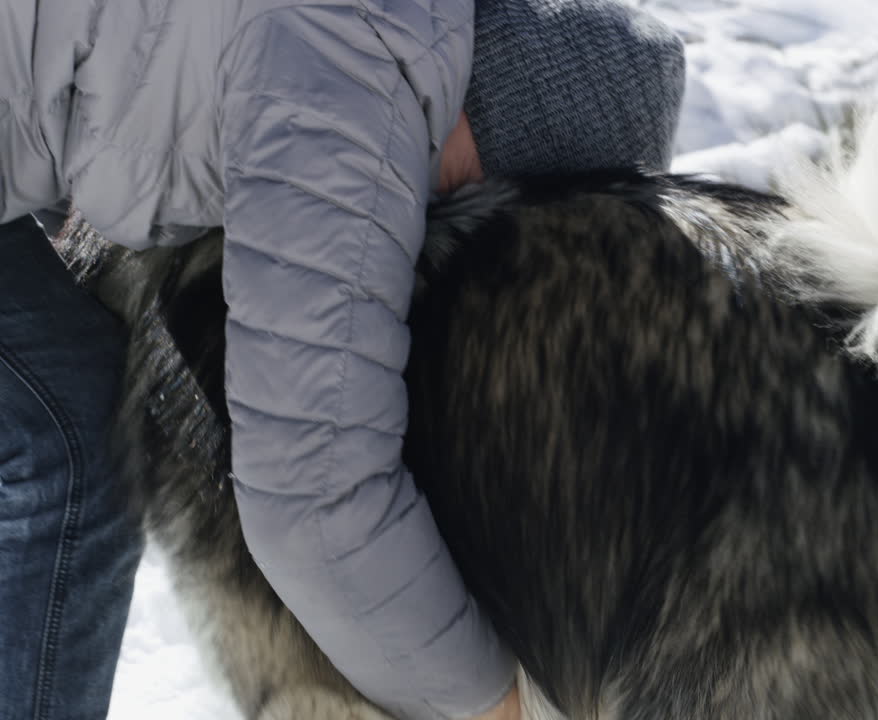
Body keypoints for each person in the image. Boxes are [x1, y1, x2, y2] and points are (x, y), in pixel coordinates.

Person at [0, 0, 685, 718]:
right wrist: (493, 704)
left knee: (69, 377)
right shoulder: (358, 83)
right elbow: (312, 496)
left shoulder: (380, 32)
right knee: (64, 445)